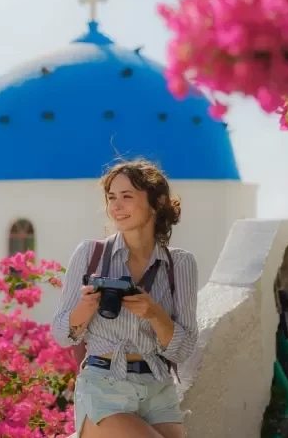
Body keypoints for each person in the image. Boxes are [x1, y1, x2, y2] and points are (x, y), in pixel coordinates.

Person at [51, 160, 199, 438]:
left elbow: (184, 349)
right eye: (111, 198)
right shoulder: (90, 254)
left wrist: (155, 313)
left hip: (158, 387)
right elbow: (61, 334)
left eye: (127, 196)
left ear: (157, 202)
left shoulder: (180, 264)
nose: (116, 206)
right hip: (103, 386)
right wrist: (85, 307)